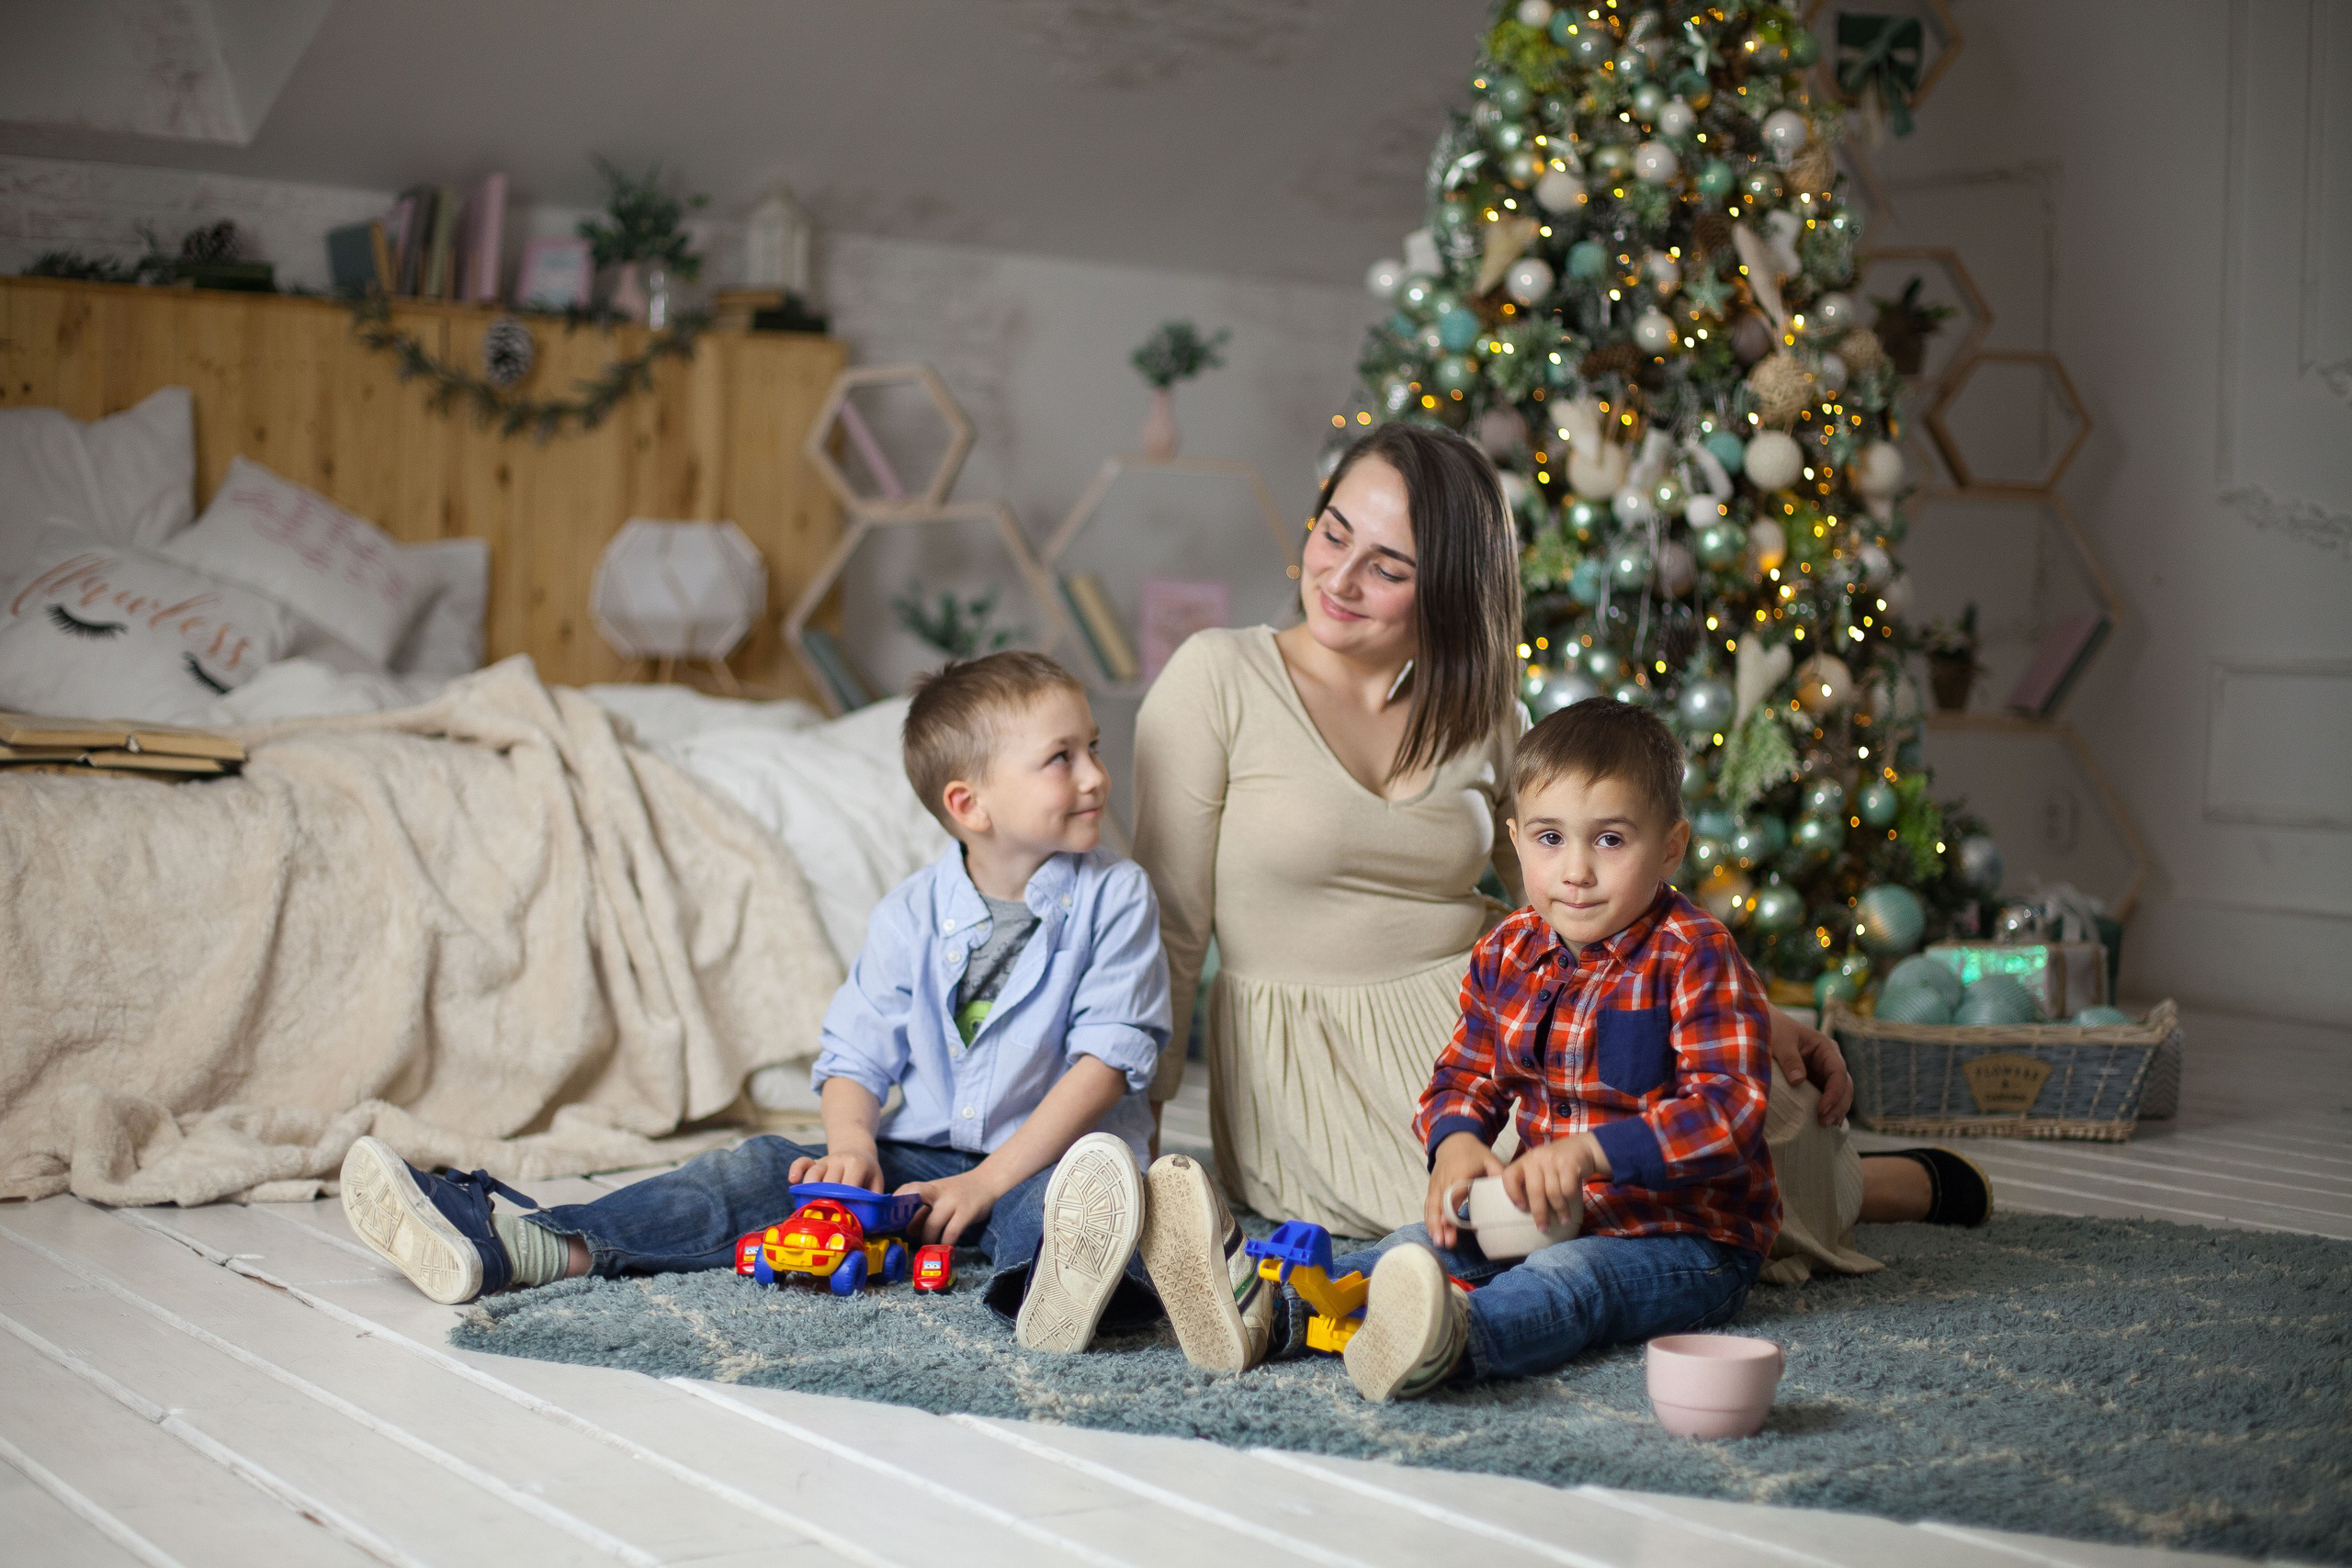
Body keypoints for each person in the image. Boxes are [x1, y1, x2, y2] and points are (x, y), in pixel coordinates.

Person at [1132, 421, 1984, 1276]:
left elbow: (1583, 896)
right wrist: (1145, 1143)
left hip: (1498, 1012)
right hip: (1311, 1052)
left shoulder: (1480, 705)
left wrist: (1746, 1011)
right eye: (1333, 532)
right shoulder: (1217, 677)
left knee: (1742, 1105)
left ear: (1449, 589)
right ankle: (1863, 1192)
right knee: (1508, 1214)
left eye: (1389, 567)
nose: (1339, 577)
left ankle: (1866, 1186)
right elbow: (1168, 925)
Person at [341, 651, 1174, 1354]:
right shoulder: (911, 912)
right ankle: (537, 1244)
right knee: (757, 1166)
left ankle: (1067, 1293)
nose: (1097, 774)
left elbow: (1105, 1064)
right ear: (969, 804)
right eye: (1062, 758)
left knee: (1073, 1207)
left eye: (1092, 747)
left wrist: (991, 1182)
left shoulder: (1117, 896)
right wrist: (851, 1145)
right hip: (920, 1155)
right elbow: (855, 1053)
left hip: (1044, 1158)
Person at [1152, 698, 1768, 1396]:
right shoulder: (1510, 948)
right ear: (1515, 834)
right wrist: (1456, 1144)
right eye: (1548, 838)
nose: (1575, 871)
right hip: (1547, 1213)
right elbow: (1465, 1074)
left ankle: (1451, 1339)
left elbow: (1730, 1110)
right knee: (1419, 1243)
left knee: (1569, 1280)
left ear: (1670, 847)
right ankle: (1276, 1312)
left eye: (1610, 840)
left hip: (1685, 1240)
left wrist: (1595, 1153)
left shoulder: (1694, 952)